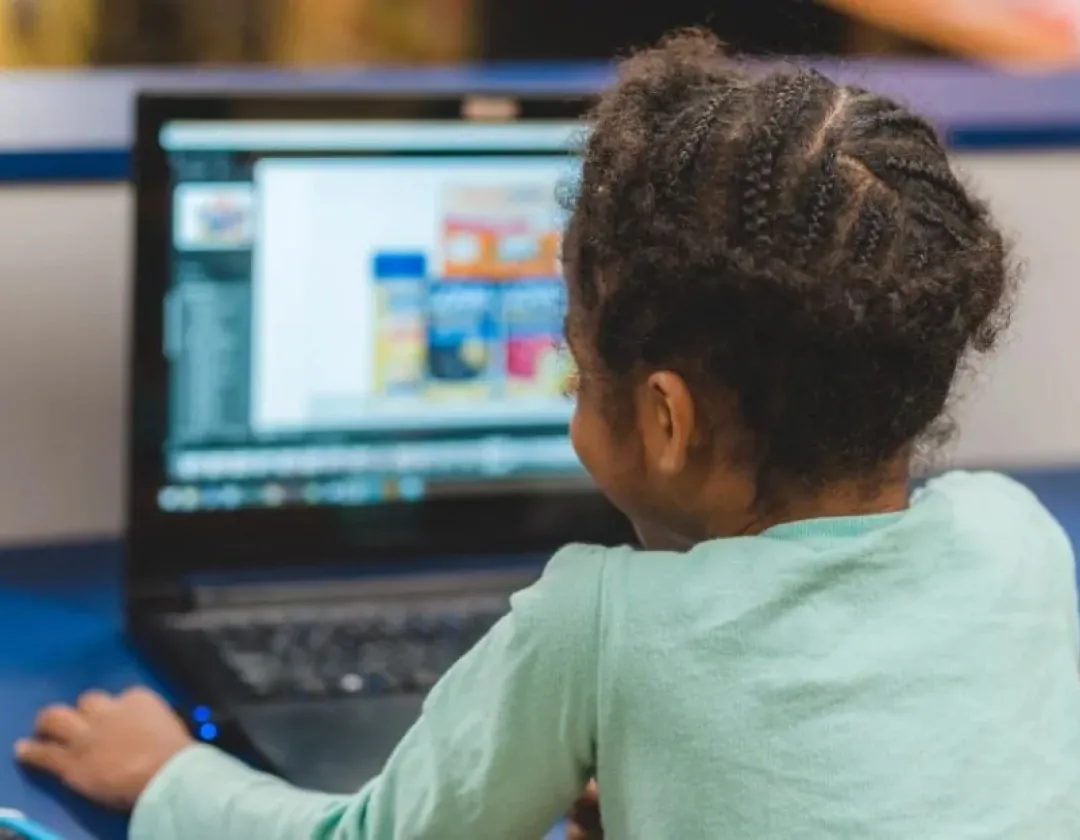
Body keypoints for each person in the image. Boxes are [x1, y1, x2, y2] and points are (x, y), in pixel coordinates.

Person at [15, 29, 1080, 840]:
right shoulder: (1019, 538)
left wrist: (164, 776)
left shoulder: (602, 623)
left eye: (577, 367)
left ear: (666, 420)